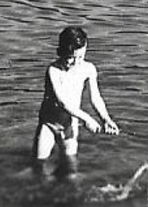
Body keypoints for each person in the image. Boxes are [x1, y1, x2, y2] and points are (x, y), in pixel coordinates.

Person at [34, 25, 119, 171]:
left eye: (81, 57)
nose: (76, 62)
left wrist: (106, 119)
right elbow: (63, 102)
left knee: (71, 170)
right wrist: (87, 119)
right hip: (49, 124)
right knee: (40, 167)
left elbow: (95, 98)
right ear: (61, 52)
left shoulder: (88, 69)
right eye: (71, 58)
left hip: (70, 126)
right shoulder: (53, 71)